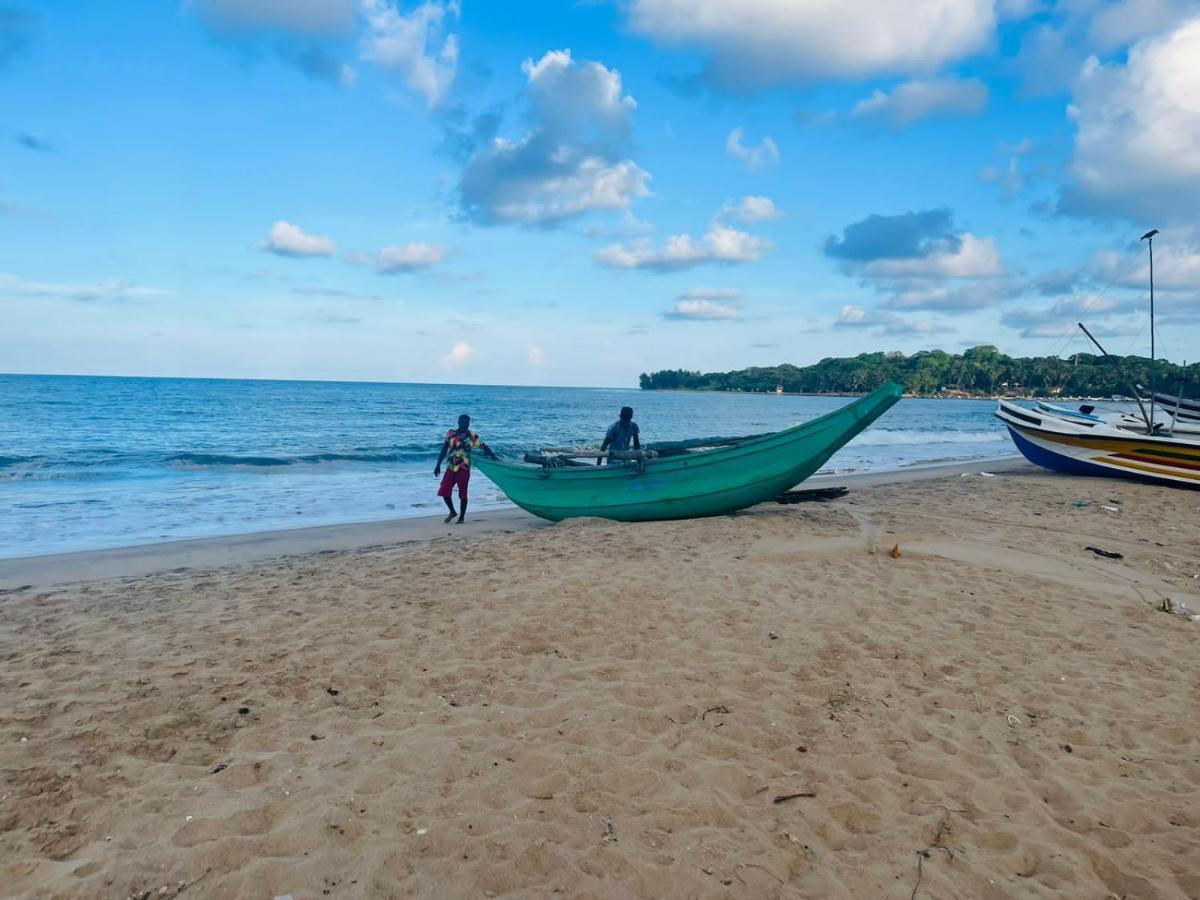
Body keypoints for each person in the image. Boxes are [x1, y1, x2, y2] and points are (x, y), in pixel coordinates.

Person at [434, 414, 496, 524]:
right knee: (444, 491)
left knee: (463, 494)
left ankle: (461, 518)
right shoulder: (451, 433)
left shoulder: (472, 436)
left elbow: (484, 446)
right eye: (463, 422)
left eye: (467, 422)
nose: (465, 424)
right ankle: (452, 512)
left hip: (464, 468)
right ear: (458, 422)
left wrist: (494, 457)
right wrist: (438, 465)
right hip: (451, 467)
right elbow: (444, 449)